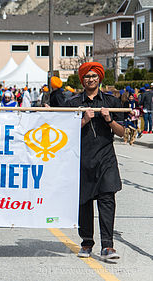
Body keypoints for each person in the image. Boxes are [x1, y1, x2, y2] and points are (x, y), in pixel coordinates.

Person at [65, 62, 124, 260]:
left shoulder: (111, 101)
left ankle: (108, 246)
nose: (91, 79)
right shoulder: (73, 103)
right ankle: (86, 243)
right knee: (84, 202)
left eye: (94, 76)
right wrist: (83, 121)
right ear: (82, 79)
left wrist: (109, 119)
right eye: (87, 76)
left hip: (106, 159)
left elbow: (123, 132)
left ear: (100, 78)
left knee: (107, 200)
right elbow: (63, 134)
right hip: (81, 160)